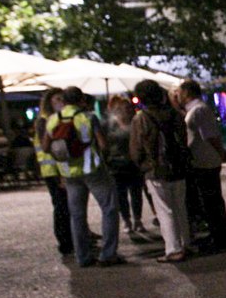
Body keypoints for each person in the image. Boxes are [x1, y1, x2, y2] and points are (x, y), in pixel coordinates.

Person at [49, 86, 122, 268]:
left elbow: (45, 146)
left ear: (64, 100)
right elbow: (103, 144)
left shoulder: (53, 119)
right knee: (109, 208)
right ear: (81, 100)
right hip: (92, 170)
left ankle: (82, 257)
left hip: (69, 173)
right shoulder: (88, 117)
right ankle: (108, 254)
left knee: (77, 215)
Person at [130, 80, 193, 263]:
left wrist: (142, 165)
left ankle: (174, 249)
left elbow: (136, 149)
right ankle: (186, 243)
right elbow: (184, 139)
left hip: (156, 169)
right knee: (180, 206)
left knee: (165, 210)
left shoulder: (141, 118)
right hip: (178, 166)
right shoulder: (175, 114)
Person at [174, 79, 226, 252]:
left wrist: (221, 154)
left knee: (212, 201)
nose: (177, 96)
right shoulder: (194, 110)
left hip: (206, 162)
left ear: (187, 92)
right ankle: (215, 235)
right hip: (201, 161)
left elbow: (211, 136)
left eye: (179, 92)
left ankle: (219, 238)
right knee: (208, 202)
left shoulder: (199, 110)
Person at [34, 90, 74, 261]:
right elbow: (51, 147)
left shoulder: (57, 118)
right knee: (61, 206)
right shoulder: (45, 120)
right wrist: (60, 173)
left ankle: (72, 239)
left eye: (62, 98)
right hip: (53, 170)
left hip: (61, 168)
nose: (61, 101)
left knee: (67, 205)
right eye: (57, 99)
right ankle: (65, 243)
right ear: (49, 102)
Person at [105, 96, 147, 236]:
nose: (127, 111)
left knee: (136, 194)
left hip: (134, 164)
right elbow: (105, 145)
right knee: (121, 195)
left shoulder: (135, 123)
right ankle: (127, 220)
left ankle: (137, 220)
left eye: (129, 108)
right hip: (116, 165)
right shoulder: (110, 125)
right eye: (124, 108)